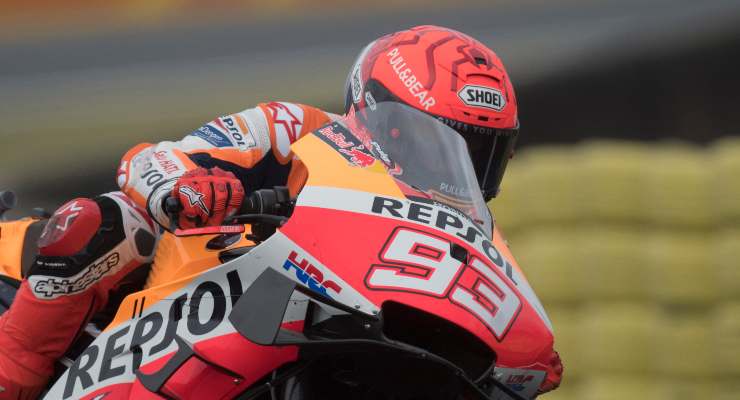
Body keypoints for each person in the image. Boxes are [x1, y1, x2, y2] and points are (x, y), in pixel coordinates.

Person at [0, 25, 560, 398]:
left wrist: (529, 358)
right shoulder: (295, 127)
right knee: (101, 223)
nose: (450, 164)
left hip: (317, 322)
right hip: (190, 272)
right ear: (376, 112)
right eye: (435, 139)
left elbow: (525, 339)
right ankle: (16, 370)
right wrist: (187, 187)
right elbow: (148, 161)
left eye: (480, 154)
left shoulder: (473, 234)